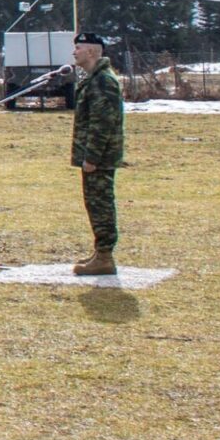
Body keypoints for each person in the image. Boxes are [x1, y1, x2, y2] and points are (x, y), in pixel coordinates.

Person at [69, 32, 125, 276]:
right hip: (95, 155)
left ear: (91, 51)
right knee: (94, 202)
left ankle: (104, 256)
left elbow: (102, 123)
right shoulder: (94, 79)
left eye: (79, 48)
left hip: (100, 158)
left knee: (100, 204)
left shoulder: (103, 81)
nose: (74, 53)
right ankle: (100, 252)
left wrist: (91, 157)